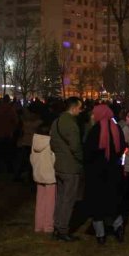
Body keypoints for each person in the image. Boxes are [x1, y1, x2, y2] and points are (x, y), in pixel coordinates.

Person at [83, 104, 126, 245]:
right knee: (114, 201)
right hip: (114, 171)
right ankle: (118, 227)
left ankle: (100, 235)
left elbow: (88, 153)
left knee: (98, 203)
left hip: (97, 173)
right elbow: (122, 148)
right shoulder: (117, 129)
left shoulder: (94, 131)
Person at [50, 97, 84, 242]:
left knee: (61, 198)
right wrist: (82, 159)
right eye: (80, 108)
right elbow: (76, 147)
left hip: (59, 165)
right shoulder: (71, 124)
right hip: (70, 167)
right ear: (74, 108)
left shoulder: (56, 122)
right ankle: (63, 229)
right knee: (68, 200)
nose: (81, 110)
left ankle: (57, 226)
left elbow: (52, 142)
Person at [30, 118, 56, 233]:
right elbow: (54, 159)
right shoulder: (51, 143)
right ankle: (48, 226)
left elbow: (32, 158)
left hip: (38, 173)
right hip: (50, 175)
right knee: (50, 202)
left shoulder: (34, 142)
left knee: (40, 200)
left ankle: (38, 225)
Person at [0, 96, 19, 174]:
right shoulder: (11, 110)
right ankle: (9, 169)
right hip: (7, 134)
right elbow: (16, 122)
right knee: (8, 153)